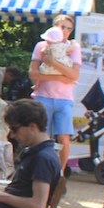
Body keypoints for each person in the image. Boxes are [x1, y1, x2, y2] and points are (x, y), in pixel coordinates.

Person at [29, 14, 81, 169]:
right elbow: (33, 74)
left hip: (64, 99)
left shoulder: (73, 48)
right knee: (40, 135)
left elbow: (74, 75)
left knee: (63, 137)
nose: (64, 31)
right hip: (43, 97)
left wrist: (52, 63)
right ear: (54, 26)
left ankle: (60, 173)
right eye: (62, 26)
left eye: (68, 28)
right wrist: (61, 76)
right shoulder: (41, 46)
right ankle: (36, 168)